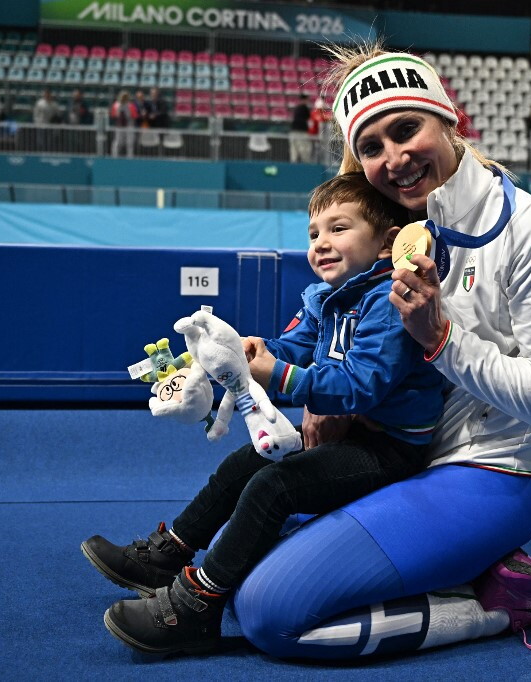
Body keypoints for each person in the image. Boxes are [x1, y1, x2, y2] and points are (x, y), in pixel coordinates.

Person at [91, 43, 531, 662]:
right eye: (372, 147)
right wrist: (237, 361)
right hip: (395, 450)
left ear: (449, 117)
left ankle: (496, 602)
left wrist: (441, 340)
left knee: (270, 615)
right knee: (250, 547)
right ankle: (182, 560)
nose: (395, 159)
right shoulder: (403, 223)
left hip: (487, 474)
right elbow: (335, 348)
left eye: (407, 129)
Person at [86, 171, 447, 657]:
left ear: (386, 243)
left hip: (390, 447)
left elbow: (361, 387)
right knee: (244, 464)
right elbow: (290, 348)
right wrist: (243, 350)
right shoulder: (323, 298)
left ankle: (199, 602)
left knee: (273, 486)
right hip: (353, 433)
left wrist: (276, 374)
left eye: (339, 228)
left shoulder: (388, 304)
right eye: (314, 233)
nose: (320, 243)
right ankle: (170, 552)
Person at [110, 90, 138, 158]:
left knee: (129, 143)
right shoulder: (116, 105)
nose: (124, 98)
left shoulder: (131, 105)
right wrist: (118, 110)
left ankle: (130, 157)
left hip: (129, 126)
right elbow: (113, 115)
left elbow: (135, 115)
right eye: (123, 97)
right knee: (118, 142)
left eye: (125, 97)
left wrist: (129, 111)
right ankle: (115, 157)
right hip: (119, 127)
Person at [289, 93, 312, 163]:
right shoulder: (304, 108)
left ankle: (293, 165)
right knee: (303, 149)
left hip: (293, 131)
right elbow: (309, 119)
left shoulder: (296, 108)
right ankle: (305, 165)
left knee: (294, 150)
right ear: (305, 100)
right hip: (301, 132)